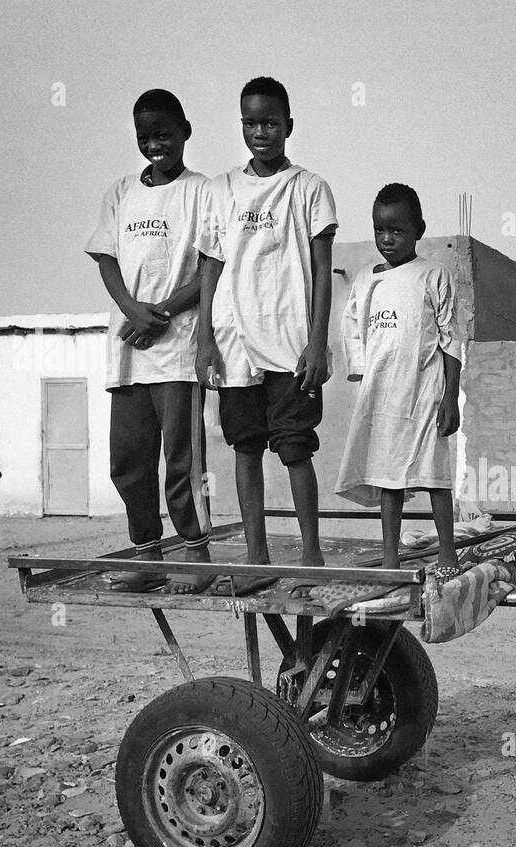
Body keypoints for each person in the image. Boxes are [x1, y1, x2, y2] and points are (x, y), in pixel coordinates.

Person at [195, 76, 336, 596]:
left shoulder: (309, 188)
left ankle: (311, 555)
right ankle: (257, 558)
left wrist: (317, 342)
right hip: (234, 342)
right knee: (246, 446)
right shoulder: (220, 190)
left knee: (295, 448)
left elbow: (322, 270)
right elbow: (210, 265)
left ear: (288, 126)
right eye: (251, 123)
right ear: (242, 125)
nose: (261, 132)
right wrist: (204, 338)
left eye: (271, 123)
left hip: (290, 340)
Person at [85, 88, 214, 593]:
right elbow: (106, 258)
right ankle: (147, 555)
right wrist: (132, 310)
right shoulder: (120, 192)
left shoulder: (202, 191)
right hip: (129, 348)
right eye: (145, 136)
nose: (155, 144)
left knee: (183, 461)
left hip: (177, 349)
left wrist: (161, 314)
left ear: (185, 131)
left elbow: (210, 267)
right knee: (129, 460)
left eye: (164, 134)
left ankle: (196, 554)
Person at [336, 183, 462, 581]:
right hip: (383, 397)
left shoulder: (434, 275)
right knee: (389, 480)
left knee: (434, 476)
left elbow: (451, 339)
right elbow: (352, 328)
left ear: (418, 230)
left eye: (397, 230)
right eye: (380, 230)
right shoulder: (364, 280)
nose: (387, 239)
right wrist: (363, 375)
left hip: (424, 392)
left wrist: (450, 398)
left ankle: (447, 552)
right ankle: (390, 556)